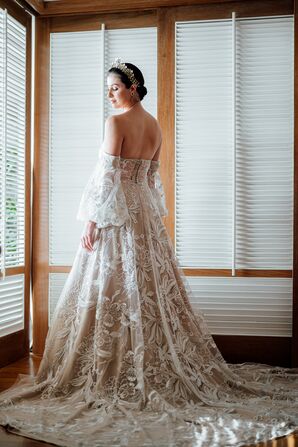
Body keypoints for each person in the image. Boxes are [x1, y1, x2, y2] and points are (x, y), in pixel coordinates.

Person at [0, 58, 297, 447]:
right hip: (143, 216)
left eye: (115, 88)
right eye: (107, 88)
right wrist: (149, 219)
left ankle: (111, 367)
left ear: (134, 87)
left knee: (112, 288)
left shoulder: (116, 124)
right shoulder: (154, 125)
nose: (110, 94)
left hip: (117, 215)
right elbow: (151, 178)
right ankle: (137, 359)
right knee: (145, 289)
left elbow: (107, 178)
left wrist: (91, 221)